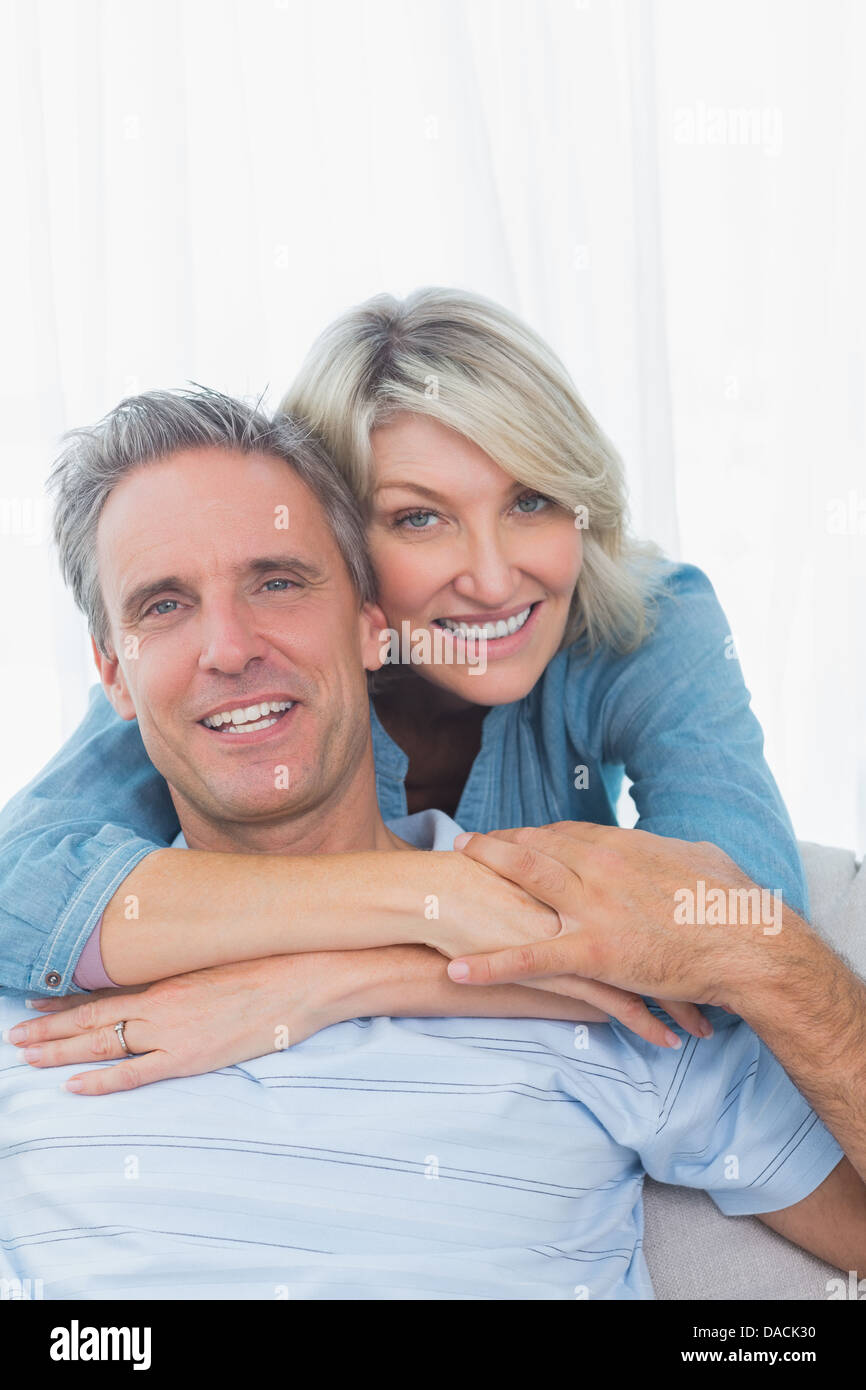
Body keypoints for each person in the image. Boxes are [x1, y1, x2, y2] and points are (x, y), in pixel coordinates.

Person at [1, 387, 862, 1301]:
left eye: (278, 582)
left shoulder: (575, 943)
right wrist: (425, 906)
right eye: (165, 604)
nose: (228, 647)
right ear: (112, 677)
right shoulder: (35, 967)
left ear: (374, 629)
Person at [0, 290, 807, 1028]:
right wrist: (433, 898)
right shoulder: (251, 669)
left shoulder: (645, 617)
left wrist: (325, 985)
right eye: (421, 519)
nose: (494, 579)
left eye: (532, 501)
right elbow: (20, 892)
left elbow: (747, 934)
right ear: (334, 542)